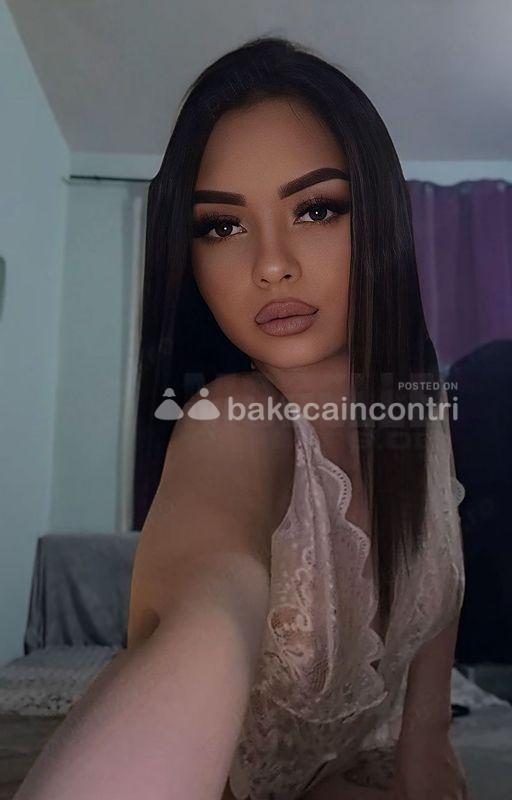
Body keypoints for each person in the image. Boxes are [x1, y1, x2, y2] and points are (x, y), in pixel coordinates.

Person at [15, 36, 468, 800]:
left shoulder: (418, 412)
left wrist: (427, 734)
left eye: (316, 209)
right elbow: (208, 614)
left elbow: (439, 580)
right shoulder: (231, 419)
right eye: (221, 226)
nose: (270, 263)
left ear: (380, 219)